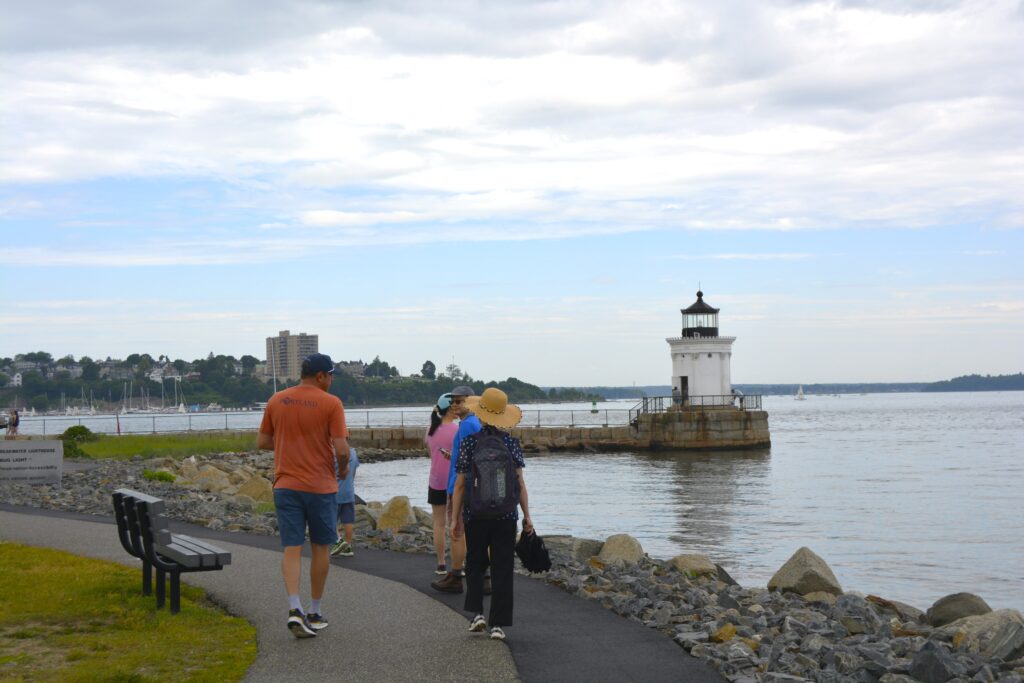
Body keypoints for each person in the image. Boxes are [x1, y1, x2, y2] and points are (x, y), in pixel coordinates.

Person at [256, 353, 349, 639]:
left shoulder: (277, 400)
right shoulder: (331, 403)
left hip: (286, 485)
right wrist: (343, 469)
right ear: (320, 376)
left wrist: (289, 446)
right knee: (321, 548)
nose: (331, 380)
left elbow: (263, 441)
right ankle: (315, 611)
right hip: (320, 487)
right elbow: (342, 449)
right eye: (330, 375)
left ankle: (294, 606)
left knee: (292, 548)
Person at [451, 387, 533, 642]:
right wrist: (527, 516)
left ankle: (477, 614)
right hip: (506, 515)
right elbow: (519, 483)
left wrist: (455, 518)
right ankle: (498, 625)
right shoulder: (511, 443)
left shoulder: (469, 442)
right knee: (502, 567)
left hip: (475, 514)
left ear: (481, 413)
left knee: (475, 563)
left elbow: (461, 484)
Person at [431, 385, 480, 594]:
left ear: (471, 401)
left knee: (457, 532)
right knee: (468, 532)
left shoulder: (468, 425)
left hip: (460, 485)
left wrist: (457, 486)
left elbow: (469, 461)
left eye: (459, 401)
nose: (454, 405)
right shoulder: (472, 423)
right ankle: (477, 575)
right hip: (467, 484)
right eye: (453, 402)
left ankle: (456, 576)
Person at [424, 393, 458, 575]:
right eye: (456, 404)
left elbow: (431, 454)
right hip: (454, 482)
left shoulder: (430, 430)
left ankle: (441, 564)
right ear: (451, 408)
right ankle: (458, 564)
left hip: (435, 481)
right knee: (457, 523)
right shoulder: (457, 430)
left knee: (439, 524)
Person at [330, 447, 359, 558]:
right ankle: (348, 546)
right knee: (348, 520)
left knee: (330, 519)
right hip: (349, 491)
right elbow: (353, 473)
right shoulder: (353, 452)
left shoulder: (332, 453)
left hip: (334, 491)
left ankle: (338, 541)